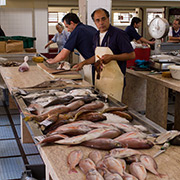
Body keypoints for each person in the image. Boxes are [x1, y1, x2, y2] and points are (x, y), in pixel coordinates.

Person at [74, 8, 135, 80]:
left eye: (103, 19)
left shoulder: (119, 34)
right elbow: (96, 57)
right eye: (97, 20)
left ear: (108, 19)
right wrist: (83, 63)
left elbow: (131, 55)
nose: (101, 23)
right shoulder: (96, 36)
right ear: (94, 22)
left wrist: (112, 57)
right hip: (101, 79)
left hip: (115, 79)